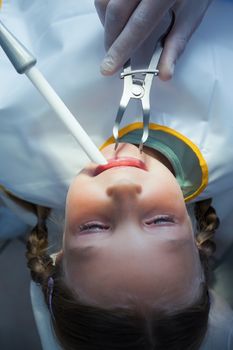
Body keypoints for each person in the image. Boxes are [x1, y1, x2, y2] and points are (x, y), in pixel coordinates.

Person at [0, 0, 233, 349]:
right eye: (159, 221)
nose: (124, 188)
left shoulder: (16, 153)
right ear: (199, 241)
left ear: (57, 254)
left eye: (94, 227)